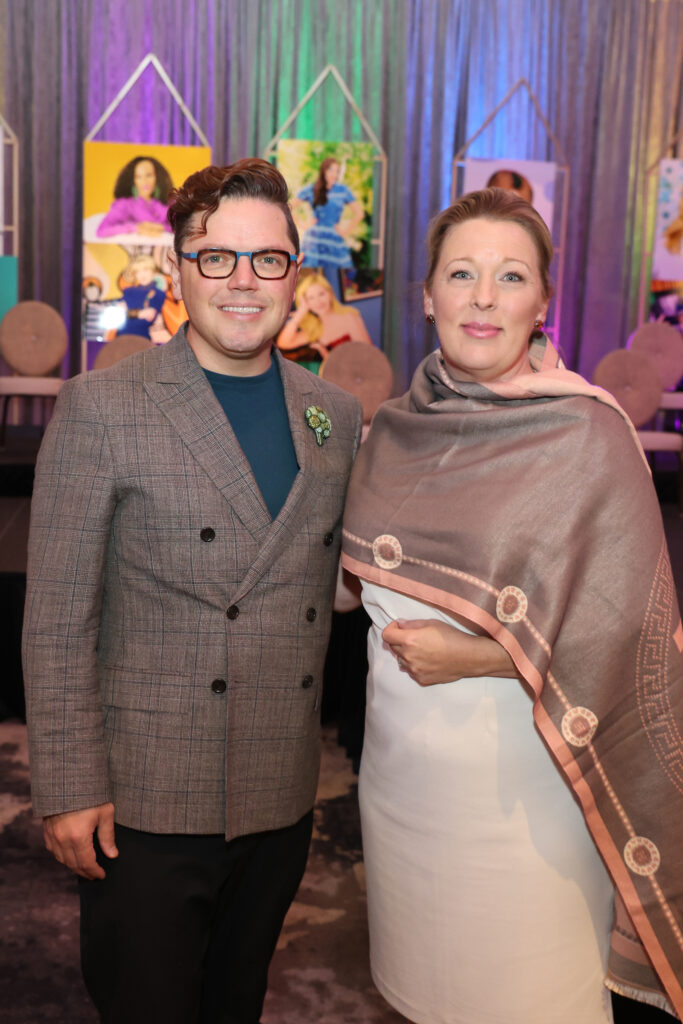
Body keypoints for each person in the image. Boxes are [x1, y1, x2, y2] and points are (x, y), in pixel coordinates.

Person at [23, 158, 362, 1024]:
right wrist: (66, 784)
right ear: (178, 268)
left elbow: (337, 572)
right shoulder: (104, 407)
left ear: (297, 273)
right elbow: (58, 616)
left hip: (280, 793)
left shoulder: (334, 414)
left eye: (267, 260)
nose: (243, 282)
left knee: (235, 1004)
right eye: (216, 258)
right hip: (141, 801)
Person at [341, 187, 683, 1023]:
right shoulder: (390, 431)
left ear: (541, 302)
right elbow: (353, 594)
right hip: (399, 789)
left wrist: (479, 654)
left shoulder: (585, 435)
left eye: (509, 276)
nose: (483, 298)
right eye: (461, 274)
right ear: (426, 295)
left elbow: (638, 633)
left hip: (527, 804)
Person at [277, 271, 372, 372]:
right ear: (306, 303)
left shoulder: (349, 316)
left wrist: (329, 358)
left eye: (321, 294)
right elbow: (284, 343)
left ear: (330, 294)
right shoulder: (315, 328)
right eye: (311, 298)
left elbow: (368, 354)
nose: (318, 301)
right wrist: (301, 312)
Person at [294, 157, 365, 279]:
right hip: (314, 241)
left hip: (334, 239)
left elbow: (359, 213)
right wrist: (302, 225)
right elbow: (289, 206)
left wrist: (345, 232)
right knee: (310, 275)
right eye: (331, 170)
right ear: (324, 171)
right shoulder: (312, 189)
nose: (334, 174)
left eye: (337, 171)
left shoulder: (342, 190)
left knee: (341, 275)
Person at [96, 154, 173, 238]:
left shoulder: (167, 204)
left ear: (157, 177)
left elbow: (182, 229)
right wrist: (135, 228)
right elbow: (102, 231)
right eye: (138, 177)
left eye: (149, 175)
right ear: (133, 180)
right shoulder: (124, 205)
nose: (144, 181)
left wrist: (162, 228)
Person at [116, 253, 166, 338]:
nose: (142, 274)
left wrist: (129, 313)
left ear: (153, 271)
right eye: (138, 271)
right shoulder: (128, 291)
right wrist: (139, 313)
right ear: (134, 274)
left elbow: (149, 316)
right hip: (121, 338)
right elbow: (118, 315)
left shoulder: (159, 294)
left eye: (145, 270)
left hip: (142, 339)